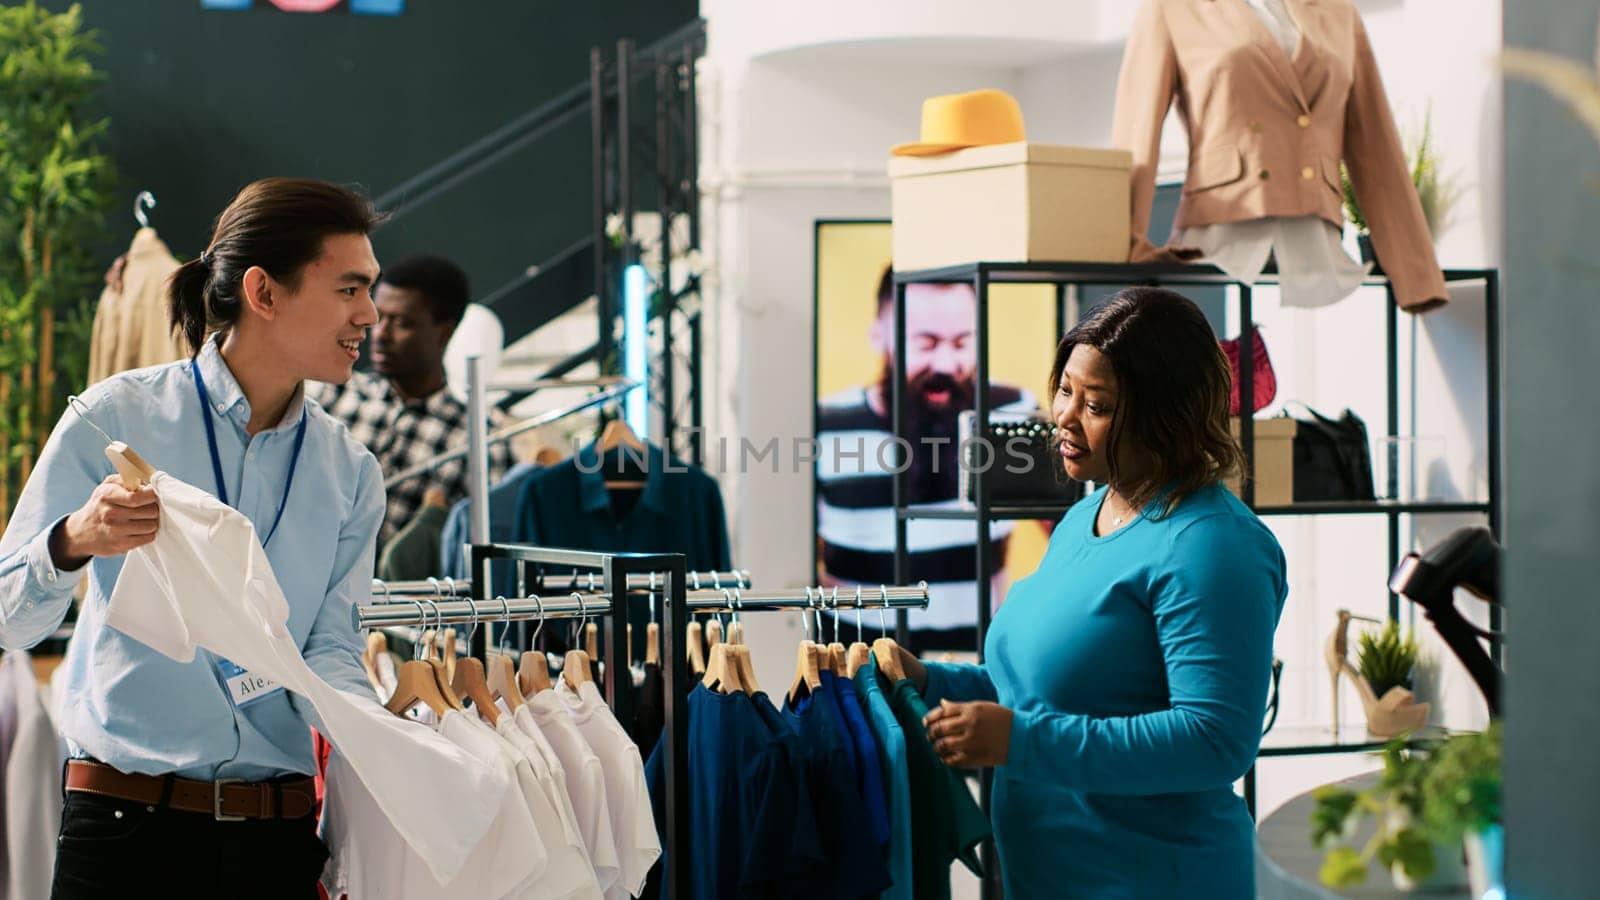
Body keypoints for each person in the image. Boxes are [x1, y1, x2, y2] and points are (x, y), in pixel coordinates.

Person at [0, 177, 387, 899]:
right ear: (264, 293)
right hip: (123, 830)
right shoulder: (113, 418)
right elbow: (8, 617)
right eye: (349, 289)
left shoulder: (352, 472)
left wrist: (398, 742)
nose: (370, 313)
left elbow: (332, 649)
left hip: (275, 837)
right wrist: (73, 539)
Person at [905, 286, 1287, 898]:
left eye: (1097, 404)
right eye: (1065, 390)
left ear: (1167, 415)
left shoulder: (1214, 546)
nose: (1063, 416)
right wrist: (936, 683)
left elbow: (1215, 741)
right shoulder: (1088, 515)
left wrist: (1020, 741)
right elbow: (1039, 687)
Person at [815, 266, 1035, 653]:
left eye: (963, 342)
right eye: (927, 344)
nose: (947, 365)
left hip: (982, 681)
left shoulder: (1013, 413)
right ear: (879, 337)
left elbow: (1082, 533)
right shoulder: (824, 425)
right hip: (857, 683)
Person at [309, 254, 512, 550]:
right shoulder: (333, 394)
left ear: (444, 332)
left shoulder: (479, 437)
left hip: (406, 593)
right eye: (379, 317)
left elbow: (482, 546)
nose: (380, 334)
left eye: (402, 323)